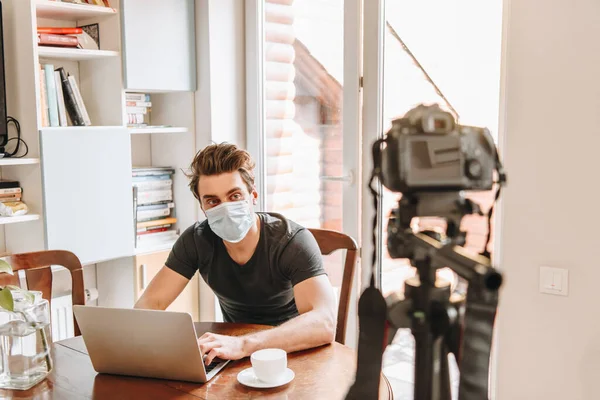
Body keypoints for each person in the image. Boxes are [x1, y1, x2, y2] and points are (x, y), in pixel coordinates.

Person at [135, 143, 337, 365]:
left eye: (234, 196)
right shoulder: (196, 240)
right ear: (202, 207)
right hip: (232, 357)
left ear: (253, 196)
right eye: (213, 201)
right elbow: (148, 306)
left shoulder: (292, 240)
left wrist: (243, 345)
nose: (225, 207)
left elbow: (324, 323)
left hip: (292, 353)